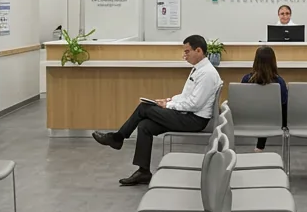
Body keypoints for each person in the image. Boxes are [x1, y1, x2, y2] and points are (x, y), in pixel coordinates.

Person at [92, 34, 223, 186]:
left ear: (199, 51)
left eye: (187, 52)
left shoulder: (207, 74)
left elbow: (194, 105)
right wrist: (169, 100)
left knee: (144, 108)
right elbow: (187, 96)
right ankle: (143, 172)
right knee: (145, 126)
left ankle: (118, 138)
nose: (184, 56)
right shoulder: (199, 70)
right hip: (187, 115)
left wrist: (167, 106)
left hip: (194, 120)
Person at [241, 45, 287, 151]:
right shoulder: (279, 82)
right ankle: (260, 147)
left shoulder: (246, 79)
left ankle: (260, 147)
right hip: (274, 121)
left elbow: (242, 102)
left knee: (261, 111)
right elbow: (284, 103)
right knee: (270, 111)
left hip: (247, 119)